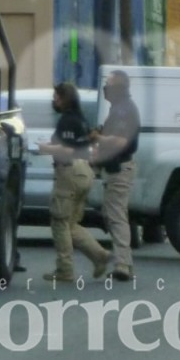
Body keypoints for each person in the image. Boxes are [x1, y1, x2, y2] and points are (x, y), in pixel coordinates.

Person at [39, 83, 112, 282]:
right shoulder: (81, 120)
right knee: (71, 224)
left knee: (60, 222)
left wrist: (45, 148)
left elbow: (67, 150)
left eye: (57, 97)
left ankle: (65, 269)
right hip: (84, 171)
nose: (54, 100)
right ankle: (99, 255)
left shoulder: (66, 121)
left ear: (66, 99)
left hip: (69, 172)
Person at [90, 69, 141, 281]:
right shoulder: (121, 109)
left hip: (119, 168)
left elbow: (119, 142)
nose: (105, 90)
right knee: (113, 215)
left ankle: (122, 264)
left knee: (117, 217)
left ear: (118, 89)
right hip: (116, 167)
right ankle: (124, 262)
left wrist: (98, 138)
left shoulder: (123, 111)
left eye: (109, 86)